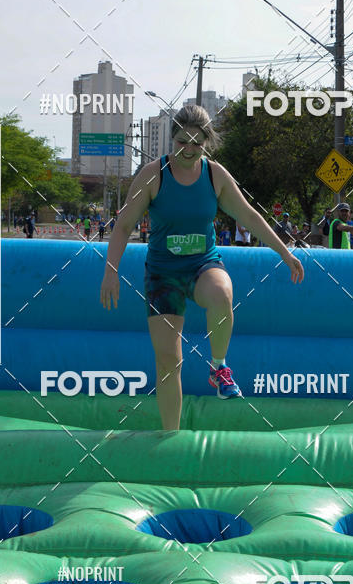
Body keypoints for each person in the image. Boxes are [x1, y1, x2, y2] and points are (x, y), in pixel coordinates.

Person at [99, 103, 304, 430]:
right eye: (182, 142)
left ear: (206, 141)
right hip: (163, 274)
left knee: (222, 293)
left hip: (202, 265)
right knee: (169, 362)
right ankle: (170, 436)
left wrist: (285, 252)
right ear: (172, 140)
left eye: (197, 143)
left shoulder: (215, 174)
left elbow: (248, 216)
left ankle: (219, 367)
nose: (190, 150)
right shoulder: (154, 174)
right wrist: (111, 271)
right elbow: (123, 225)